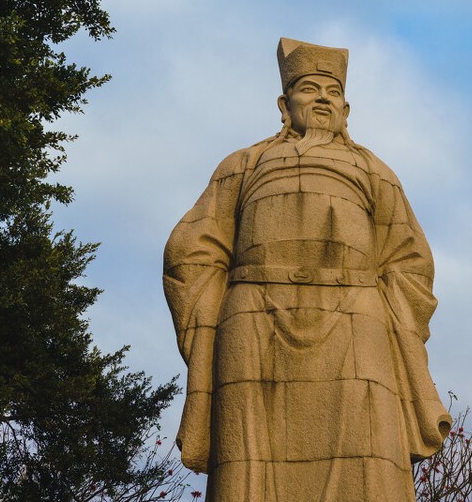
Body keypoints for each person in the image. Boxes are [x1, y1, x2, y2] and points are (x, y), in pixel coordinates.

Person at [163, 37, 451, 502]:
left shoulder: (374, 171)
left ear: (346, 108)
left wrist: (382, 310)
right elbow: (189, 251)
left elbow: (410, 260)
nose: (322, 99)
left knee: (369, 455)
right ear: (284, 103)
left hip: (357, 324)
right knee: (247, 461)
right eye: (309, 89)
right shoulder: (243, 165)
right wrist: (217, 315)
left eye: (332, 92)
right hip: (255, 319)